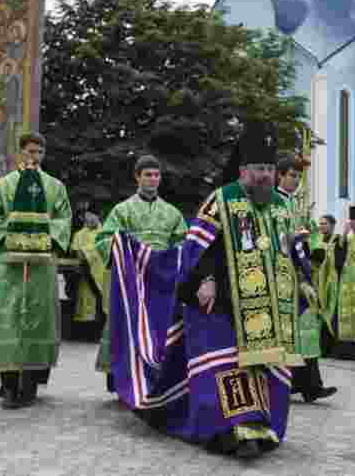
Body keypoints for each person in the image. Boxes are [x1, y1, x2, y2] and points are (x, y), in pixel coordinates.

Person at [106, 120, 311, 459]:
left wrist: (304, 278)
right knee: (226, 367)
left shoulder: (281, 205)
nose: (264, 175)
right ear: (243, 170)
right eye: (258, 168)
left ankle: (262, 426)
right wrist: (205, 280)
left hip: (269, 307)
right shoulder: (222, 199)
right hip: (220, 304)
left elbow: (294, 246)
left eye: (269, 169)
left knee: (263, 367)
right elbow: (198, 248)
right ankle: (230, 431)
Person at [0, 132, 72, 409]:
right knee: (8, 321)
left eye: (39, 152)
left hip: (42, 266)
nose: (34, 156)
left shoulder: (55, 187)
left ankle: (30, 383)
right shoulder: (1, 185)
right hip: (9, 265)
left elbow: (64, 219)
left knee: (37, 320)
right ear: (20, 153)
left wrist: (46, 239)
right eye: (30, 151)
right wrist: (10, 238)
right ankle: (8, 384)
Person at [94, 155, 187, 390]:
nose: (153, 179)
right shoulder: (122, 210)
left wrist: (170, 261)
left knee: (158, 327)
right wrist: (124, 250)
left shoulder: (172, 213)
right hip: (130, 279)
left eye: (156, 175)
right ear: (137, 177)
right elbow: (105, 239)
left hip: (160, 281)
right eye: (148, 175)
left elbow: (183, 245)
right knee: (126, 323)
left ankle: (156, 380)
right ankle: (120, 379)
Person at [275, 152, 336, 403]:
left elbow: (305, 238)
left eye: (299, 176)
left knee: (308, 329)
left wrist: (311, 255)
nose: (296, 180)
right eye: (292, 175)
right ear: (280, 175)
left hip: (301, 270)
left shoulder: (295, 204)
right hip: (283, 272)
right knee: (290, 332)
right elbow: (277, 239)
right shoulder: (274, 203)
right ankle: (291, 383)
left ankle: (311, 385)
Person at [317, 205, 355, 361]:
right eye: (351, 221)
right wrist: (344, 236)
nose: (353, 224)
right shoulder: (349, 237)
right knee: (343, 317)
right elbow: (339, 256)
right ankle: (345, 351)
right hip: (346, 283)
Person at [70, 212, 105, 339]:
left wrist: (87, 252)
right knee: (84, 301)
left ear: (98, 216)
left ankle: (99, 332)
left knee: (102, 301)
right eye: (87, 217)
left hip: (103, 274)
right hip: (85, 273)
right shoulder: (79, 234)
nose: (90, 220)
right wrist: (88, 253)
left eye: (93, 216)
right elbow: (78, 253)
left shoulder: (105, 233)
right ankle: (84, 333)